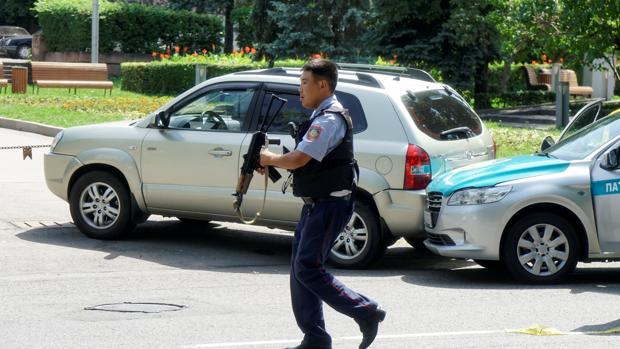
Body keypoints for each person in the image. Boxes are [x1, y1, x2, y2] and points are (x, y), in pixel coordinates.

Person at [259, 59, 385, 349]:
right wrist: (274, 162)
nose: (299, 89)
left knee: (307, 268)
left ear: (323, 85)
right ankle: (315, 338)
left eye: (304, 83)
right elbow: (306, 162)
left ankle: (364, 310)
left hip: (331, 205)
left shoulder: (329, 119)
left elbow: (300, 158)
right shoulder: (320, 115)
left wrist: (270, 159)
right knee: (300, 268)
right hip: (317, 204)